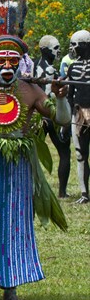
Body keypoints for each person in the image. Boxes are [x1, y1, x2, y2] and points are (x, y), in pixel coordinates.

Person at [0, 35, 70, 300]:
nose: (8, 66)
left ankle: (11, 289)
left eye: (14, 60)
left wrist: (59, 98)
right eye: (2, 61)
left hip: (19, 166)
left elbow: (61, 118)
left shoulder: (30, 91)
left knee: (15, 224)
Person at [33, 35, 71, 198]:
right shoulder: (50, 71)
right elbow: (50, 96)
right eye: (55, 49)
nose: (59, 51)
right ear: (45, 50)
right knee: (64, 153)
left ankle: (34, 189)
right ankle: (62, 192)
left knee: (32, 153)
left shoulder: (34, 65)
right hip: (49, 116)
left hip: (36, 116)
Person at [67, 29, 90, 204]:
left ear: (84, 45)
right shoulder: (73, 67)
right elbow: (70, 94)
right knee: (81, 154)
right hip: (79, 115)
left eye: (75, 44)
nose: (72, 48)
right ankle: (84, 193)